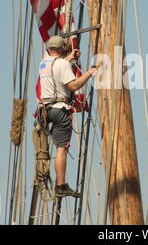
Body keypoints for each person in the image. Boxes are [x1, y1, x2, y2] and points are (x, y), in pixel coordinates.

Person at [38, 35, 98, 198]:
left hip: (45, 109)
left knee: (50, 147)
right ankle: (61, 185)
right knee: (61, 149)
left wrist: (70, 58)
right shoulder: (63, 64)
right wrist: (90, 72)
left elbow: (56, 70)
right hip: (60, 110)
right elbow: (74, 85)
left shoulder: (44, 63)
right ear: (63, 48)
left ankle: (48, 179)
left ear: (49, 48)